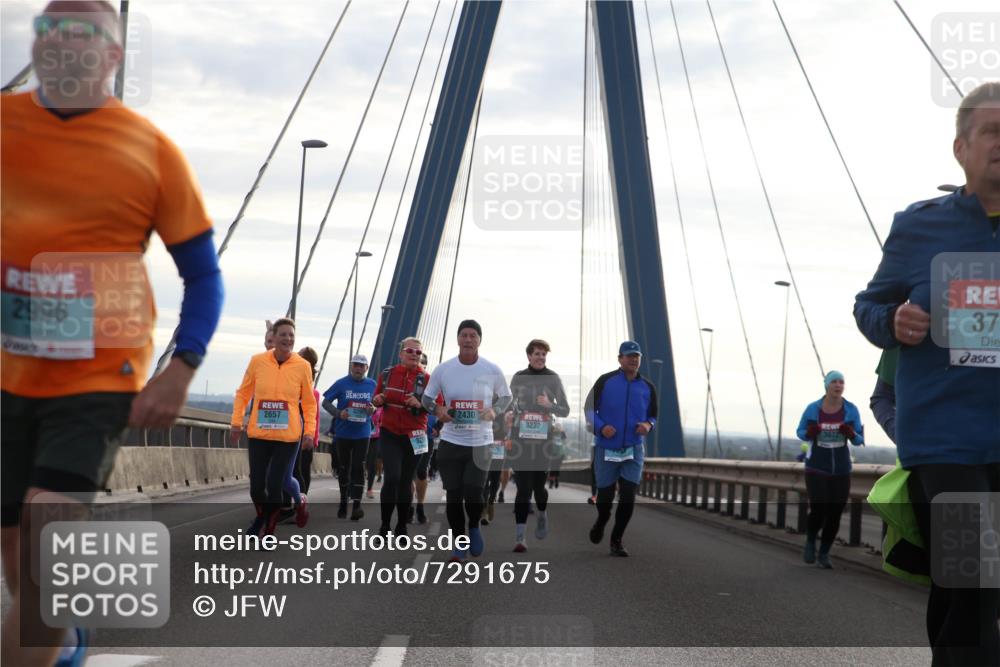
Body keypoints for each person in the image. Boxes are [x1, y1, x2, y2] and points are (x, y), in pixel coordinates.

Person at [1, 4, 224, 665]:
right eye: (51, 31)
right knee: (19, 554)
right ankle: (64, 639)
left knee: (47, 533)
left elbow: (203, 277)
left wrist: (180, 367)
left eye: (84, 34)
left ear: (114, 56)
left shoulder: (151, 152)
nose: (65, 43)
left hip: (96, 381)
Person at [854, 81, 1000, 666]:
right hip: (948, 439)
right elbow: (868, 306)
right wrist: (894, 319)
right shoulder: (919, 227)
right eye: (992, 132)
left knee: (965, 589)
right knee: (977, 577)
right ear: (961, 148)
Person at [422, 320, 511, 561]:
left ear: (479, 340)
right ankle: (459, 544)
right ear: (458, 339)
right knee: (453, 495)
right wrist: (438, 410)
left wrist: (494, 411)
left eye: (473, 335)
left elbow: (506, 398)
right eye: (464, 335)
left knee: (473, 492)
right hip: (451, 442)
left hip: (480, 442)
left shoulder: (491, 369)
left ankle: (473, 526)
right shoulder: (444, 370)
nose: (468, 339)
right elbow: (426, 399)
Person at [230, 319, 317, 536]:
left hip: (287, 438)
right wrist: (236, 422)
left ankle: (269, 530)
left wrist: (309, 432)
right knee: (257, 486)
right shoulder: (258, 361)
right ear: (274, 338)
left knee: (276, 482)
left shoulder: (302, 366)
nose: (288, 339)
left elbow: (308, 402)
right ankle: (262, 517)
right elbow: (243, 393)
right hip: (259, 434)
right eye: (283, 334)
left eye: (291, 335)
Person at [584, 341, 657, 557]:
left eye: (637, 356)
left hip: (633, 450)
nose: (633, 359)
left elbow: (653, 415)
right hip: (607, 449)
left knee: (628, 496)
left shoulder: (647, 387)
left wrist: (648, 425)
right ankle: (601, 521)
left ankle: (616, 540)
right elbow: (589, 409)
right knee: (605, 501)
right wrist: (601, 427)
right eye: (629, 355)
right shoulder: (606, 381)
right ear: (620, 358)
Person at [794, 370, 865, 568]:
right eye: (834, 381)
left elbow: (860, 440)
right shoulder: (813, 408)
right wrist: (809, 432)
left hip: (841, 467)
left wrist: (851, 433)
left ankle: (824, 553)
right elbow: (800, 432)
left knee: (835, 511)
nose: (838, 385)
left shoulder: (851, 409)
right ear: (827, 385)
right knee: (819, 508)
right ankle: (810, 541)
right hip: (816, 465)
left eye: (841, 382)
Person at [507, 339, 570, 552]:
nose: (541, 358)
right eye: (537, 354)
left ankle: (542, 514)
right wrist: (508, 414)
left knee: (538, 488)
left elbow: (565, 410)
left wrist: (550, 405)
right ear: (529, 356)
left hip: (543, 442)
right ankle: (520, 537)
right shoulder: (519, 377)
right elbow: (509, 404)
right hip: (521, 440)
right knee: (523, 489)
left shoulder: (553, 379)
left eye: (544, 354)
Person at [371, 338, 438, 537]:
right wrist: (378, 400)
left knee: (406, 480)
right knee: (392, 478)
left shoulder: (428, 379)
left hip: (416, 434)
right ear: (401, 353)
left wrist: (421, 404)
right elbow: (376, 398)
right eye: (410, 350)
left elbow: (437, 405)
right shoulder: (387, 374)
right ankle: (384, 526)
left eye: (418, 352)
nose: (414, 355)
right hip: (390, 432)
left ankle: (401, 525)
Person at [323, 354, 377, 520]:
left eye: (362, 366)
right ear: (351, 366)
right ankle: (343, 503)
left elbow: (378, 405)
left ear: (366, 368)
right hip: (343, 433)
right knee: (344, 468)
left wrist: (372, 410)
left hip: (362, 433)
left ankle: (357, 506)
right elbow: (326, 402)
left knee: (358, 467)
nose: (358, 368)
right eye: (355, 365)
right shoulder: (341, 383)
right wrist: (339, 413)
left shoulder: (373, 385)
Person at [295, 347, 320, 497]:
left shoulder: (312, 393)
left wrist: (312, 437)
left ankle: (301, 501)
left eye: (299, 356)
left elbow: (313, 416)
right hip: (291, 434)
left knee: (302, 470)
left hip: (305, 436)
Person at [366, 407, 383, 498]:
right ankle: (352, 488)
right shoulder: (366, 399)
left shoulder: (382, 407)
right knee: (362, 463)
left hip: (376, 437)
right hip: (362, 434)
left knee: (372, 463)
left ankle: (369, 489)